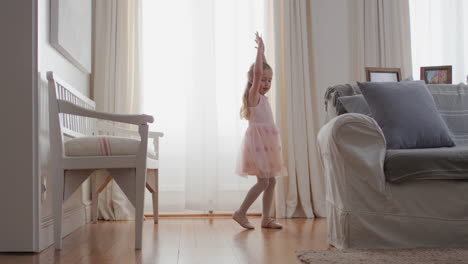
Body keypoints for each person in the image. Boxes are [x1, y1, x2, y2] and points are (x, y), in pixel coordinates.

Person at [233, 32, 287, 229]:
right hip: (258, 145)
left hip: (268, 144)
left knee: (271, 181)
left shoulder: (262, 97)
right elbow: (257, 73)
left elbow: (261, 70)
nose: (266, 84)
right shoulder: (253, 95)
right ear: (252, 79)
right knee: (264, 182)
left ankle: (266, 218)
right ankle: (240, 213)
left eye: (269, 80)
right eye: (263, 80)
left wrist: (263, 55)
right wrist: (261, 52)